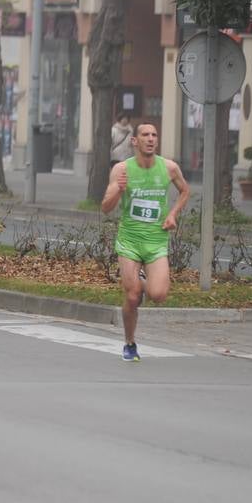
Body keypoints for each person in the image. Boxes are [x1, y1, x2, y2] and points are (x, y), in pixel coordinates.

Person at [100, 122, 190, 361]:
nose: (150, 139)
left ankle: (141, 278)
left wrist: (172, 214)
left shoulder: (169, 168)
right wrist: (118, 191)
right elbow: (106, 208)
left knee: (158, 295)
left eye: (154, 135)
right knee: (131, 296)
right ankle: (129, 343)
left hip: (156, 241)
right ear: (135, 141)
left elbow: (185, 191)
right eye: (145, 135)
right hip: (129, 240)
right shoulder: (122, 170)